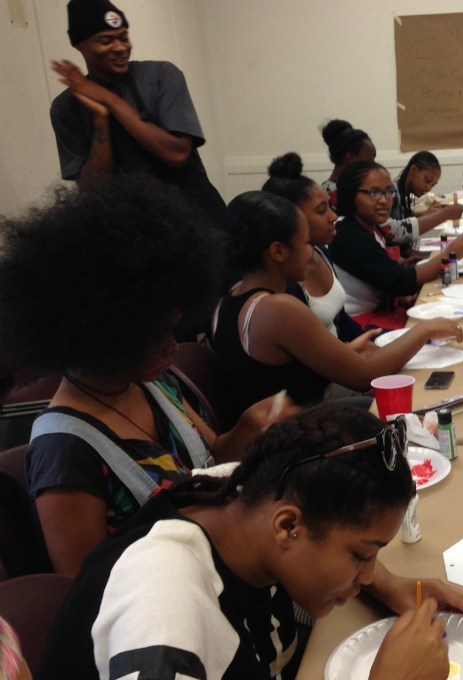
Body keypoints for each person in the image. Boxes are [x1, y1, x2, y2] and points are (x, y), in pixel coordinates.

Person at [37, 403, 463, 680]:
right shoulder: (164, 612)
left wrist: (387, 585)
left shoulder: (238, 494)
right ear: (289, 526)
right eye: (360, 555)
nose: (365, 573)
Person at [0, 178, 291, 577]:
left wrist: (247, 429)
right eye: (156, 335)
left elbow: (209, 462)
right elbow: (87, 590)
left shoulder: (153, 382)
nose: (173, 347)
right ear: (103, 334)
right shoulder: (63, 454)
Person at [211, 190, 463, 425]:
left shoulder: (227, 301)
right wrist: (425, 330)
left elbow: (275, 373)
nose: (311, 253)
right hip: (298, 436)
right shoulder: (278, 309)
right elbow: (364, 375)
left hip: (292, 425)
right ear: (278, 251)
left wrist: (345, 350)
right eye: (305, 243)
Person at [49, 0, 225, 222]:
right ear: (79, 45)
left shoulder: (161, 76)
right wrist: (101, 119)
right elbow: (94, 193)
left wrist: (109, 99)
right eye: (106, 41)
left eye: (124, 37)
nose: (120, 47)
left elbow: (177, 154)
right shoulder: (66, 107)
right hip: (133, 230)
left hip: (198, 218)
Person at [329, 161, 463, 327]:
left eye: (388, 192)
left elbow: (379, 273)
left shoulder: (371, 226)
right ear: (351, 194)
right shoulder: (346, 233)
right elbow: (399, 283)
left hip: (381, 310)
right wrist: (448, 255)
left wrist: (401, 265)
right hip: (357, 323)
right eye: (374, 193)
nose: (384, 200)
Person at [261, 152, 365, 342]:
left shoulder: (322, 252)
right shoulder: (287, 282)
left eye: (329, 206)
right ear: (293, 218)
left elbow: (341, 321)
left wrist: (379, 338)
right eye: (321, 210)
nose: (333, 216)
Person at [393, 151, 463, 239]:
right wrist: (442, 215)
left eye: (432, 185)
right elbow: (394, 235)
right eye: (427, 180)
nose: (428, 188)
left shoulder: (402, 196)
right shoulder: (391, 194)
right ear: (413, 170)